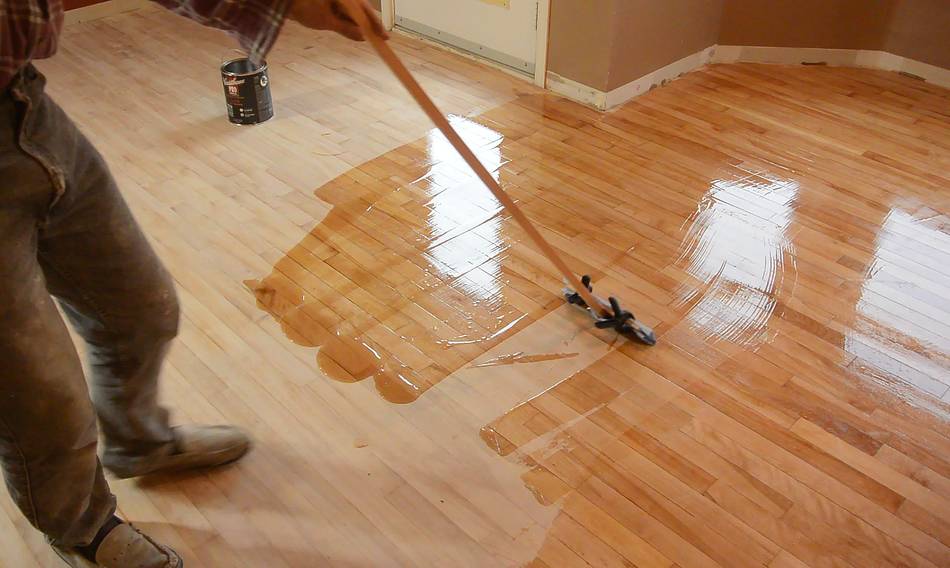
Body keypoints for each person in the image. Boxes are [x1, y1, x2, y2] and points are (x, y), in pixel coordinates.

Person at [0, 1, 386, 566]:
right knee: (37, 391)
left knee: (140, 308)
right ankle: (81, 525)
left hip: (24, 106)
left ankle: (139, 442)